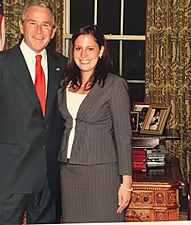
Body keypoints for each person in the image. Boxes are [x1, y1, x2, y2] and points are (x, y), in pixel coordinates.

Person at [0, 1, 67, 224]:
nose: (39, 31)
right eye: (33, 23)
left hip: (48, 180)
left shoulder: (62, 65)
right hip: (7, 177)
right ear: (21, 26)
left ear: (53, 32)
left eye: (45, 25)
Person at [57, 24, 133, 223]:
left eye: (90, 48)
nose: (83, 54)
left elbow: (123, 136)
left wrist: (126, 182)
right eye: (78, 48)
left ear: (101, 51)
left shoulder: (114, 85)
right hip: (69, 173)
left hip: (102, 174)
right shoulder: (64, 83)